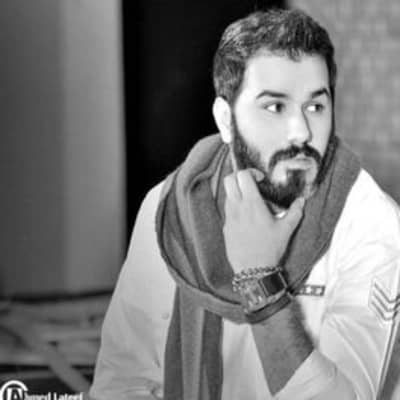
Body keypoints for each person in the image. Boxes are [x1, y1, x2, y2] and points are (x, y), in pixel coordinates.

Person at [90, 8, 400, 400]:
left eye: (315, 107)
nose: (302, 131)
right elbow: (123, 382)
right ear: (226, 120)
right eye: (275, 107)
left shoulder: (369, 221)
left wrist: (260, 280)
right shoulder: (170, 212)